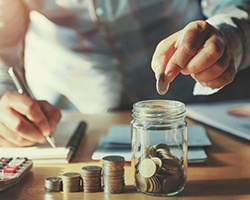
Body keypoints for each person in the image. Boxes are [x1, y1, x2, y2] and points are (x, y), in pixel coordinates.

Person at [0, 0, 249, 147]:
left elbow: (236, 6)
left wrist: (226, 39)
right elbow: (4, 41)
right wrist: (3, 97)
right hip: (68, 123)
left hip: (196, 110)